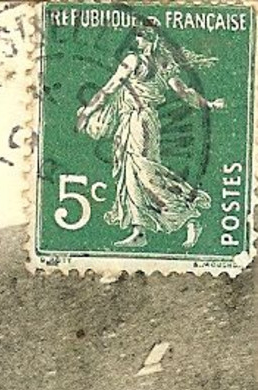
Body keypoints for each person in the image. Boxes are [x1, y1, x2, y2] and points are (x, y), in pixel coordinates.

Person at [76, 20, 225, 249]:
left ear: (154, 38)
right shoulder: (154, 62)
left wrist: (86, 112)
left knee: (144, 171)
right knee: (131, 171)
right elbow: (111, 89)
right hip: (133, 120)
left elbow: (182, 92)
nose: (140, 40)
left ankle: (189, 216)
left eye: (144, 36)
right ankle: (139, 230)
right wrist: (210, 105)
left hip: (141, 120)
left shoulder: (143, 62)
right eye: (138, 36)